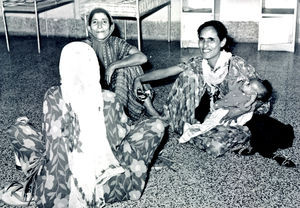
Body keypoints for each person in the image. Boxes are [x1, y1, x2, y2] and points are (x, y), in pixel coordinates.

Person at [0, 42, 165, 207]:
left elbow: (50, 143)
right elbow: (120, 136)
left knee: (18, 129)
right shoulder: (109, 98)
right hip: (112, 185)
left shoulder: (53, 96)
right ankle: (131, 184)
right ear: (94, 67)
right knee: (155, 125)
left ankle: (29, 178)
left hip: (57, 189)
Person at [133, 20, 271, 157]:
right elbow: (167, 71)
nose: (205, 45)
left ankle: (187, 129)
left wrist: (242, 109)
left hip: (238, 119)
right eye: (202, 39)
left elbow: (264, 101)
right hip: (214, 113)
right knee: (188, 74)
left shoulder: (237, 65)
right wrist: (139, 79)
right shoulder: (199, 63)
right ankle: (179, 123)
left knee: (215, 147)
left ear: (222, 42)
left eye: (211, 40)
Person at [84, 7, 160, 121]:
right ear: (89, 28)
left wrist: (114, 65)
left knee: (130, 64)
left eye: (104, 22)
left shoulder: (115, 42)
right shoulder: (84, 46)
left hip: (121, 94)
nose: (99, 26)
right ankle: (116, 117)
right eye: (95, 22)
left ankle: (148, 109)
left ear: (111, 27)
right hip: (95, 98)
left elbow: (142, 58)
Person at [178, 78, 272, 143]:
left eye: (248, 84)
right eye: (248, 81)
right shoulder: (241, 92)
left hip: (226, 115)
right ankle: (196, 128)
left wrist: (251, 100)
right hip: (221, 109)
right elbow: (230, 93)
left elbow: (244, 109)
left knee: (210, 124)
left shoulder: (247, 101)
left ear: (253, 94)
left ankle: (192, 132)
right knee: (209, 121)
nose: (245, 82)